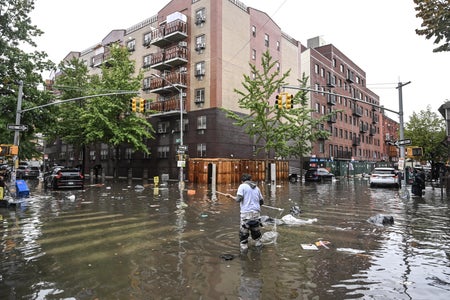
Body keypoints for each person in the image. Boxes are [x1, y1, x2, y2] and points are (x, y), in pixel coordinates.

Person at [227, 173, 264, 252]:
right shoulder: (257, 188)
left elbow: (238, 199)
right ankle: (259, 250)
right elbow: (261, 202)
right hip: (256, 214)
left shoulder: (242, 186)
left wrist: (230, 197)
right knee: (256, 233)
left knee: (244, 234)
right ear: (250, 180)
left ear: (242, 181)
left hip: (246, 214)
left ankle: (244, 254)